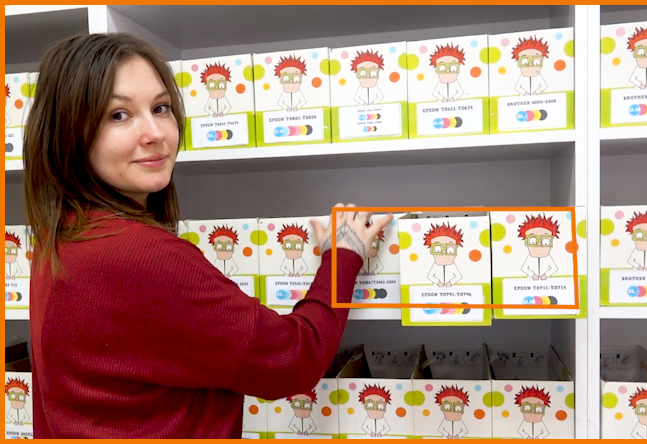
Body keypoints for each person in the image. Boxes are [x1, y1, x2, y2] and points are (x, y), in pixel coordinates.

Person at [22, 32, 392, 439]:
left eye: (161, 108)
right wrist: (343, 255)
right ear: (68, 133)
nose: (155, 133)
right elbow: (293, 359)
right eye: (119, 115)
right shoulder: (140, 256)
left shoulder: (60, 236)